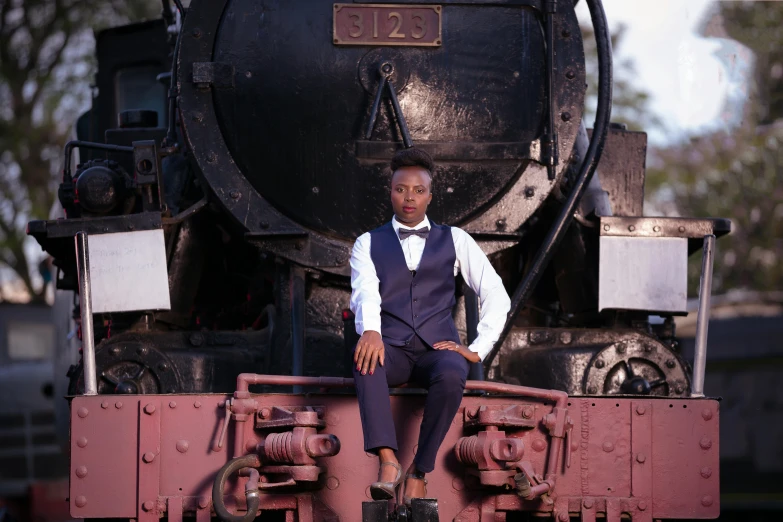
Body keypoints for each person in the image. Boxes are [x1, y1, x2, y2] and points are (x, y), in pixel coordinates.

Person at [350, 147, 511, 503]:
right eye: (401, 189)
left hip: (437, 349)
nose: (409, 197)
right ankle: (388, 460)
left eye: (418, 190)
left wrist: (477, 348)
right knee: (365, 361)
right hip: (390, 346)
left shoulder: (456, 239)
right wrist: (372, 331)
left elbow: (496, 294)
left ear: (430, 196)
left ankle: (419, 471)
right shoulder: (367, 243)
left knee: (454, 371)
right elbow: (365, 291)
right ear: (390, 192)